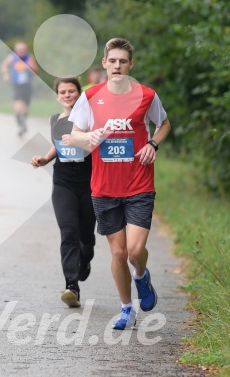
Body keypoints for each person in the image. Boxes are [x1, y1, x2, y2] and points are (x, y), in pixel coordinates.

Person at [63, 37, 171, 330]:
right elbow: (74, 135)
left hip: (139, 184)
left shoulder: (147, 95)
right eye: (112, 61)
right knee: (119, 253)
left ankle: (141, 276)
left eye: (123, 61)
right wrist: (90, 137)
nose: (118, 66)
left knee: (135, 252)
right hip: (105, 187)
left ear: (131, 64)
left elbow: (164, 124)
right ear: (104, 64)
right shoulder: (90, 96)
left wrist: (152, 144)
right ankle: (126, 309)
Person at [31, 77, 96, 309]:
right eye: (63, 92)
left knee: (86, 235)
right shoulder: (54, 120)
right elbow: (58, 145)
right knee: (68, 231)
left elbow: (98, 145)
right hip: (63, 182)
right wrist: (45, 158)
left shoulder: (90, 119)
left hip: (89, 182)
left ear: (79, 94)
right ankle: (72, 286)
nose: (67, 95)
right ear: (57, 96)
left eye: (71, 91)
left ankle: (86, 258)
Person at [1, 41, 38, 136]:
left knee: (26, 108)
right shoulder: (12, 58)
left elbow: (36, 71)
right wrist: (6, 74)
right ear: (16, 51)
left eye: (23, 50)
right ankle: (20, 124)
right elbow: (4, 65)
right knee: (17, 107)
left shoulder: (29, 58)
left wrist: (30, 66)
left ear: (26, 50)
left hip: (27, 86)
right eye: (19, 50)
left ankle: (23, 122)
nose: (21, 52)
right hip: (17, 86)